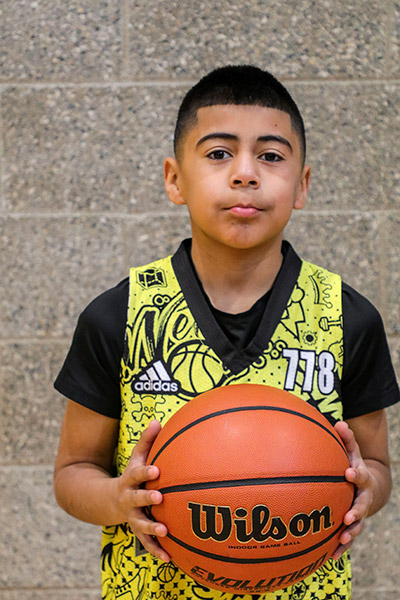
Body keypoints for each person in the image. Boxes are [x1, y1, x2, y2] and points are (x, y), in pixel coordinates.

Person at [53, 65, 399, 600]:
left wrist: (366, 488)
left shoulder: (348, 318)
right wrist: (119, 499)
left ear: (302, 184)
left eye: (271, 156)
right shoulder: (118, 316)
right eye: (218, 153)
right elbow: (74, 472)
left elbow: (376, 466)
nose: (245, 173)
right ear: (175, 179)